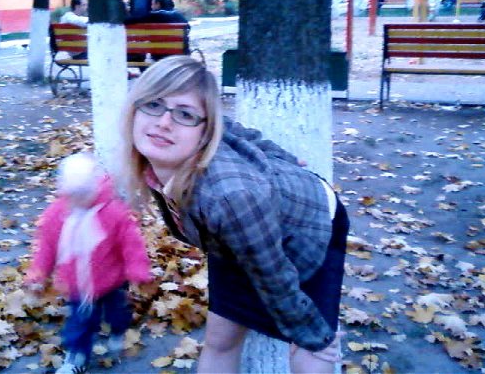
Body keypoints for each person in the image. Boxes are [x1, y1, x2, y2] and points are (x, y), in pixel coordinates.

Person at [121, 56, 350, 373]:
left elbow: (275, 279)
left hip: (306, 226)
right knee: (221, 338)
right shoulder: (168, 155)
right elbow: (236, 130)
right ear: (135, 108)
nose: (163, 122)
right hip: (238, 233)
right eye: (153, 104)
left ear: (205, 132)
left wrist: (316, 334)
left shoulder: (229, 198)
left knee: (311, 348)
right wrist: (280, 156)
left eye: (184, 113)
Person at [24, 153, 152, 374]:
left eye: (84, 193)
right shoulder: (57, 216)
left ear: (95, 187)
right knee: (80, 322)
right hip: (78, 286)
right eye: (73, 194)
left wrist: (137, 268)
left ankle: (118, 331)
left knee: (117, 313)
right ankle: (77, 357)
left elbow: (131, 242)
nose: (79, 199)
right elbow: (47, 248)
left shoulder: (112, 212)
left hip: (111, 281)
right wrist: (39, 273)